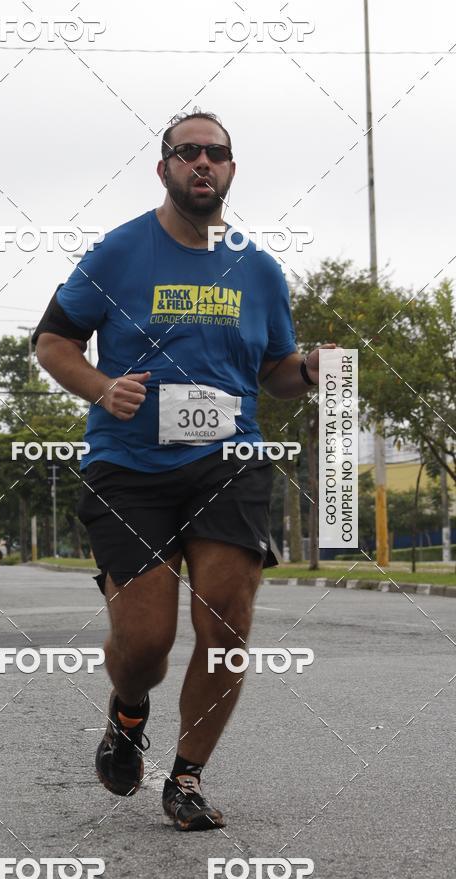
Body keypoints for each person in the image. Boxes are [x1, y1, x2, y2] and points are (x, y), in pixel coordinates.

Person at [34, 110, 332, 831]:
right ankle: (128, 711)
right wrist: (101, 387)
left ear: (231, 169)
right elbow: (52, 342)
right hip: (129, 465)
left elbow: (274, 371)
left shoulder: (259, 268)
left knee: (227, 623)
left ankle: (188, 776)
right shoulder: (119, 252)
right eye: (188, 151)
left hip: (229, 461)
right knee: (146, 645)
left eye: (216, 153)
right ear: (164, 167)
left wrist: (307, 371)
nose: (204, 162)